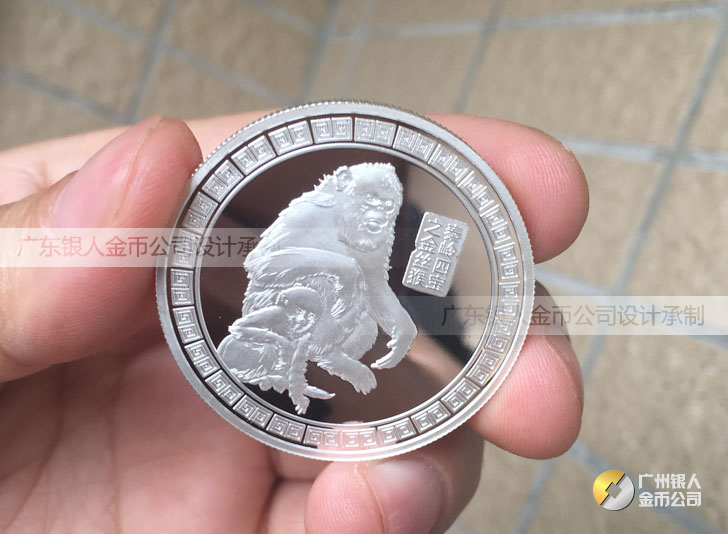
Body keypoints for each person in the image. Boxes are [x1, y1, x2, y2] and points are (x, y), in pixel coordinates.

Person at [0, 112, 588, 534]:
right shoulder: (311, 213)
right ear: (342, 197)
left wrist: (401, 327)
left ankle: (358, 351)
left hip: (336, 320)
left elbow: (375, 281)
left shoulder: (372, 230)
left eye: (386, 210)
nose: (379, 217)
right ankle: (321, 354)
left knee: (387, 334)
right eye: (373, 206)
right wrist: (337, 278)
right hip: (282, 297)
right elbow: (262, 262)